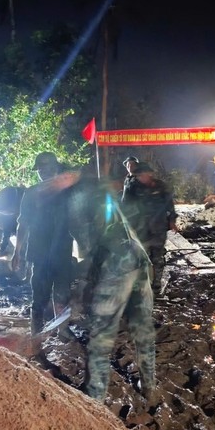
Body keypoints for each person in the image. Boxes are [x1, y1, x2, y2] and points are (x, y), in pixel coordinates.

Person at [62, 171, 156, 403]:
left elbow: (88, 252)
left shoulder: (75, 201)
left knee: (101, 333)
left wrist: (80, 288)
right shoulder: (102, 195)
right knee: (143, 327)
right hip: (139, 256)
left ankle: (94, 396)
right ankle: (149, 386)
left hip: (116, 262)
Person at [11, 152, 73, 335]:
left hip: (62, 251)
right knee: (39, 295)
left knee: (62, 293)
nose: (43, 172)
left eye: (47, 167)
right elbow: (23, 223)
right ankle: (36, 332)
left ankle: (63, 330)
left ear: (55, 168)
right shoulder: (31, 193)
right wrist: (17, 252)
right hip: (40, 253)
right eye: (40, 169)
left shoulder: (67, 192)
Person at [120, 162, 178, 293]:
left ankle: (156, 284)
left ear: (150, 174)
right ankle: (141, 286)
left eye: (143, 174)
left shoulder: (161, 186)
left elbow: (169, 204)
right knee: (140, 256)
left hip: (158, 226)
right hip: (140, 228)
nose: (141, 177)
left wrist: (172, 221)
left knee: (158, 256)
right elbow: (125, 207)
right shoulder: (132, 187)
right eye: (139, 175)